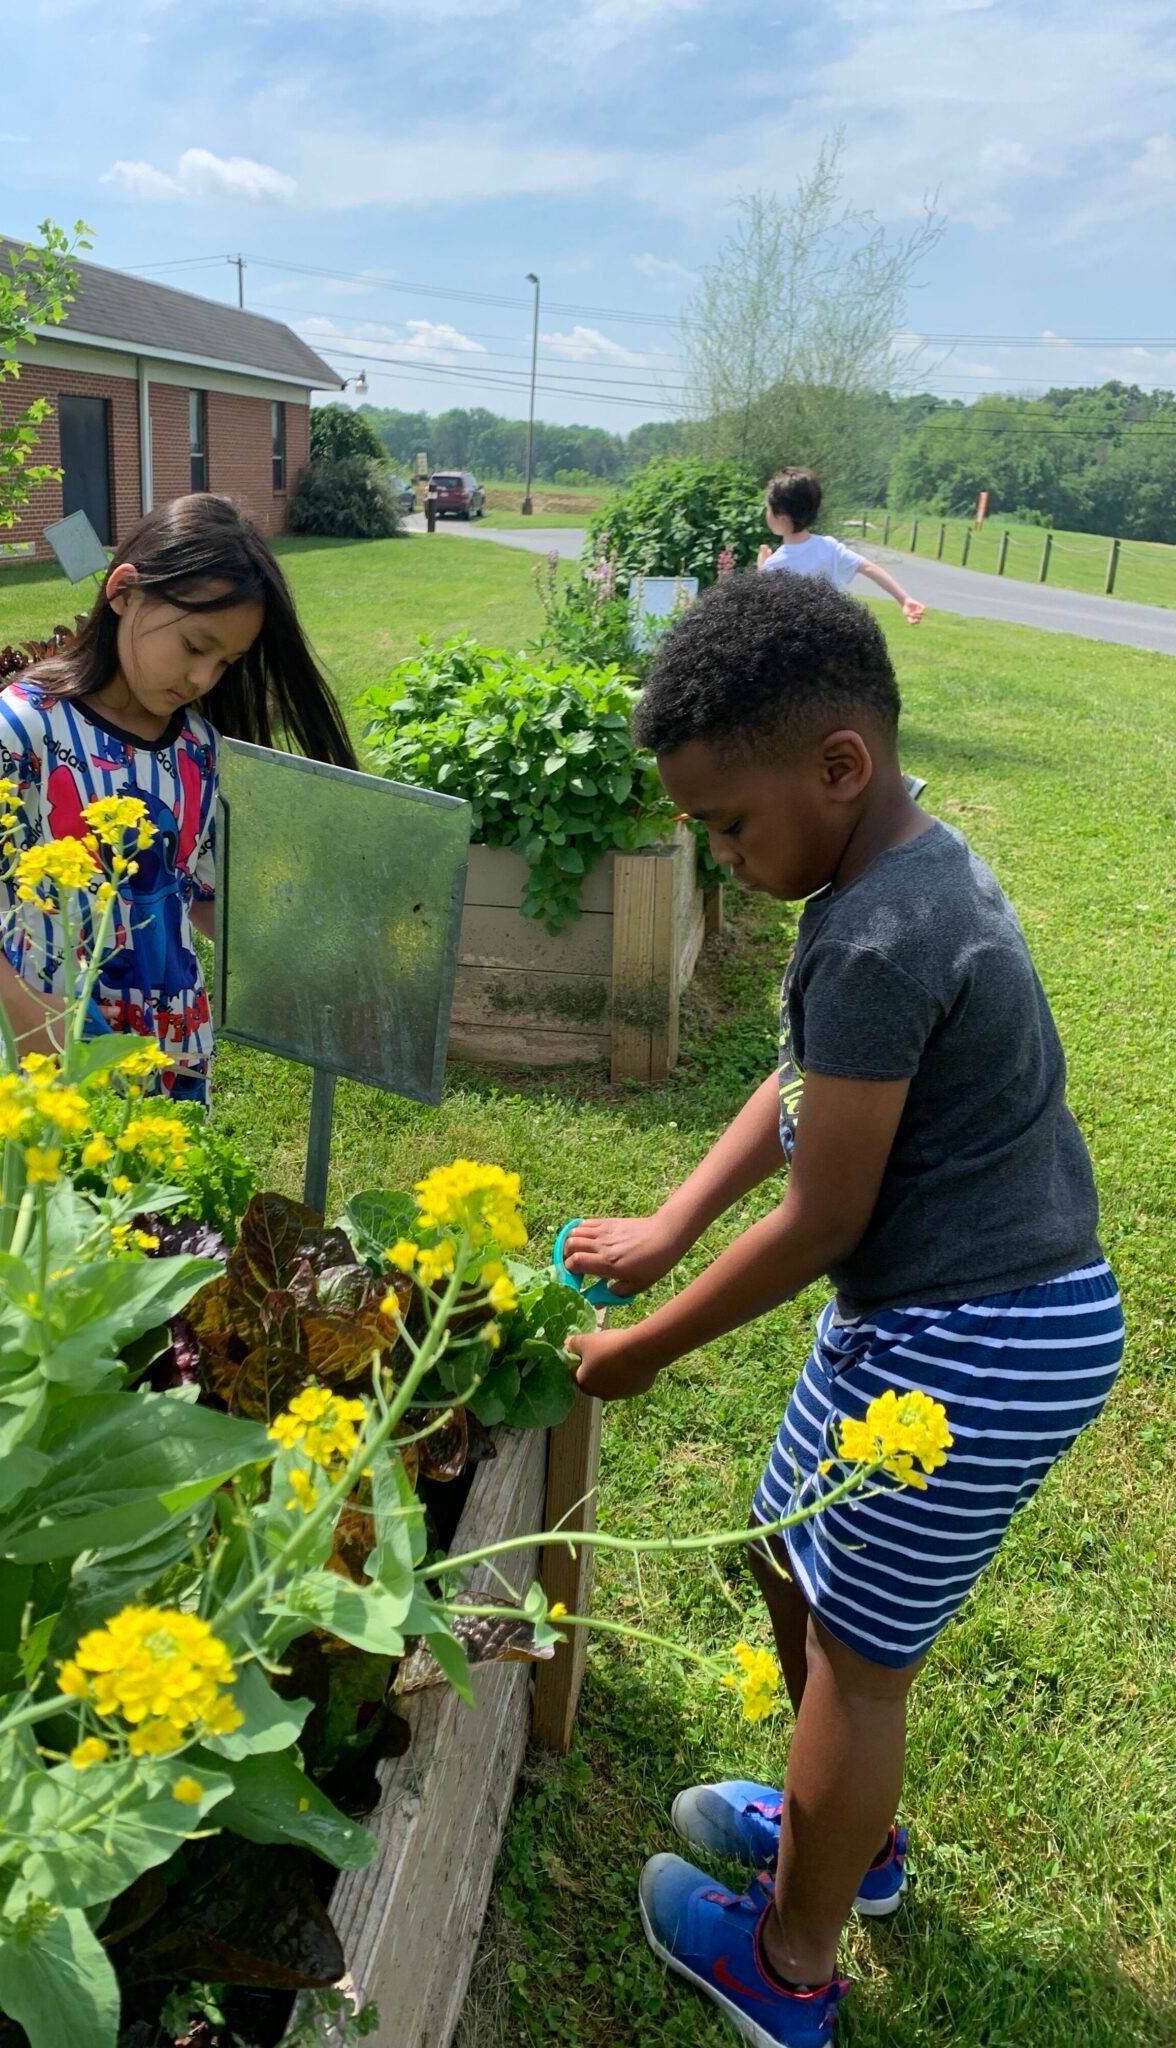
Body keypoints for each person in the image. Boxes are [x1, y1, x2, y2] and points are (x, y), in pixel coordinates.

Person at [562, 572, 1122, 2046]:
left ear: (838, 767)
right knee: (788, 1557)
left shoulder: (882, 934)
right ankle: (839, 1836)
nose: (722, 856)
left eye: (729, 827)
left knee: (863, 1672)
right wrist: (672, 1222)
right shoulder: (881, 879)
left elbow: (827, 1217)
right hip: (922, 1313)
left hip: (982, 1336)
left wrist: (645, 1347)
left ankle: (792, 1963)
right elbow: (804, 1080)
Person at [0, 494, 355, 1102]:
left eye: (226, 663)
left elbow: (195, 894)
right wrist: (18, 1002)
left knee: (162, 1194)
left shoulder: (198, 747)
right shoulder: (22, 729)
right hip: (59, 1044)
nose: (202, 679)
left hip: (177, 1048)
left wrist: (290, 954)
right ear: (124, 592)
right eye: (196, 646)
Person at [759, 467, 925, 625]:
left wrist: (762, 570)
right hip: (839, 636)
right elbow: (869, 568)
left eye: (767, 508)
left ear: (780, 515)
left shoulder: (775, 564)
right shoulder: (829, 547)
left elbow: (765, 608)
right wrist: (904, 599)